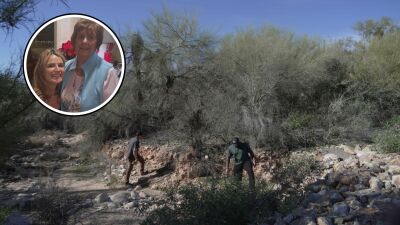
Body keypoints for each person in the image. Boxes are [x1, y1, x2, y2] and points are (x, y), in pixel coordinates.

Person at [61, 19, 119, 112]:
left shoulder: (108, 73)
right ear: (74, 40)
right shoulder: (66, 66)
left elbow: (111, 115)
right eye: (81, 36)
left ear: (97, 43)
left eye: (91, 37)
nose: (84, 41)